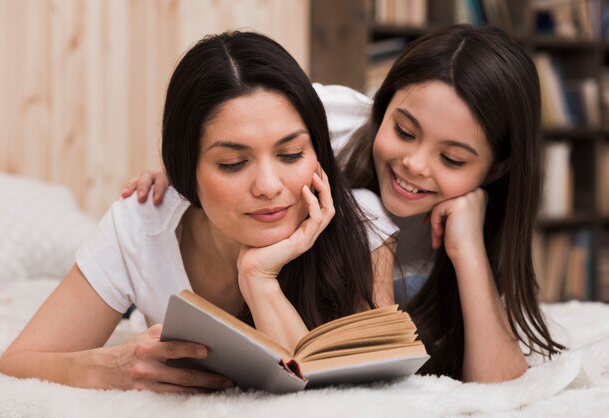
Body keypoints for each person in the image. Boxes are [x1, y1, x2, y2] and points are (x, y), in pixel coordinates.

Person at [126, 25, 566, 383]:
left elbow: (500, 389)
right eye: (404, 130)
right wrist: (182, 174)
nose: (413, 164)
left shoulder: (482, 212)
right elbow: (229, 127)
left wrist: (468, 251)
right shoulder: (331, 119)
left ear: (495, 169)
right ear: (382, 105)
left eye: (451, 158)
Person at [0, 31, 393, 393]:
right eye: (232, 163)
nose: (269, 186)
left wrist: (259, 279)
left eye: (290, 154)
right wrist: (110, 369)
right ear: (186, 170)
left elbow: (337, 394)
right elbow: (17, 363)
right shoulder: (141, 224)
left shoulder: (363, 222)